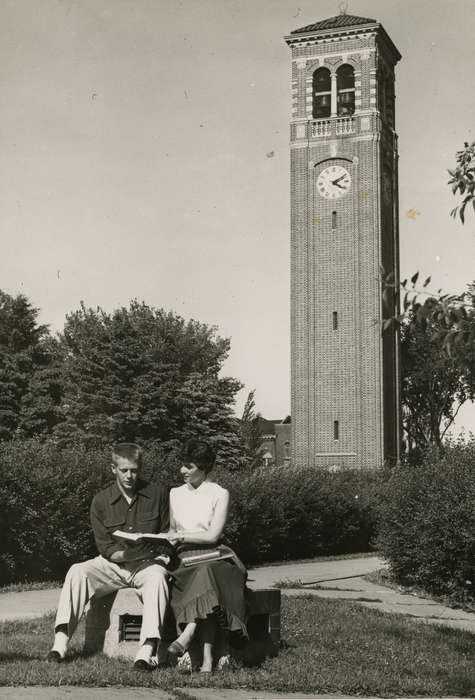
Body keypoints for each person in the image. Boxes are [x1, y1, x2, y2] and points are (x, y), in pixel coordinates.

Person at [47, 442, 170, 671]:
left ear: (140, 468)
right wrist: (126, 553)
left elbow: (165, 533)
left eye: (134, 470)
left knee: (157, 579)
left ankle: (146, 650)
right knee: (77, 571)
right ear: (113, 469)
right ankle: (60, 644)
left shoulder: (158, 494)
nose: (129, 476)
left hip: (146, 565)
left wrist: (159, 553)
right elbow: (105, 547)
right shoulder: (101, 501)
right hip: (112, 564)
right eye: (124, 470)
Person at [165, 438, 247, 673]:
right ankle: (208, 661)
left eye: (189, 466)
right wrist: (167, 541)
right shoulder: (175, 494)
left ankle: (189, 635)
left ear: (204, 467)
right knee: (206, 583)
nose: (182, 470)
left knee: (207, 574)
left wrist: (180, 536)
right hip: (184, 560)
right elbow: (172, 529)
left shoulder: (219, 493)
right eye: (182, 464)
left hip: (215, 556)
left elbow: (212, 536)